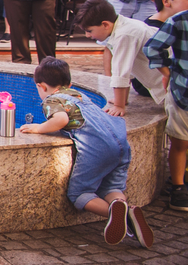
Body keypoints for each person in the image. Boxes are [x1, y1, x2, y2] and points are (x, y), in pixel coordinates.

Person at [19, 58, 152, 246]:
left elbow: (61, 119)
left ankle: (117, 214)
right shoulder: (78, 94)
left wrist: (39, 128)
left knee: (79, 193)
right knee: (111, 188)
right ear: (69, 84)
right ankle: (121, 206)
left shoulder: (52, 99)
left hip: (98, 148)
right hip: (120, 143)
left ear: (41, 86)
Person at [143, 0, 188, 212]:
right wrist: (167, 69)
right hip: (182, 93)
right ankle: (178, 187)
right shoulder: (179, 21)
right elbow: (151, 47)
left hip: (181, 89)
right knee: (180, 143)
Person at [77, 0, 166, 115]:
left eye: (89, 30)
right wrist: (122, 99)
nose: (87, 35)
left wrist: (119, 106)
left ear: (105, 24)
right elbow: (128, 69)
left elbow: (121, 72)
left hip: (174, 88)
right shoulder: (123, 27)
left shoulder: (124, 34)